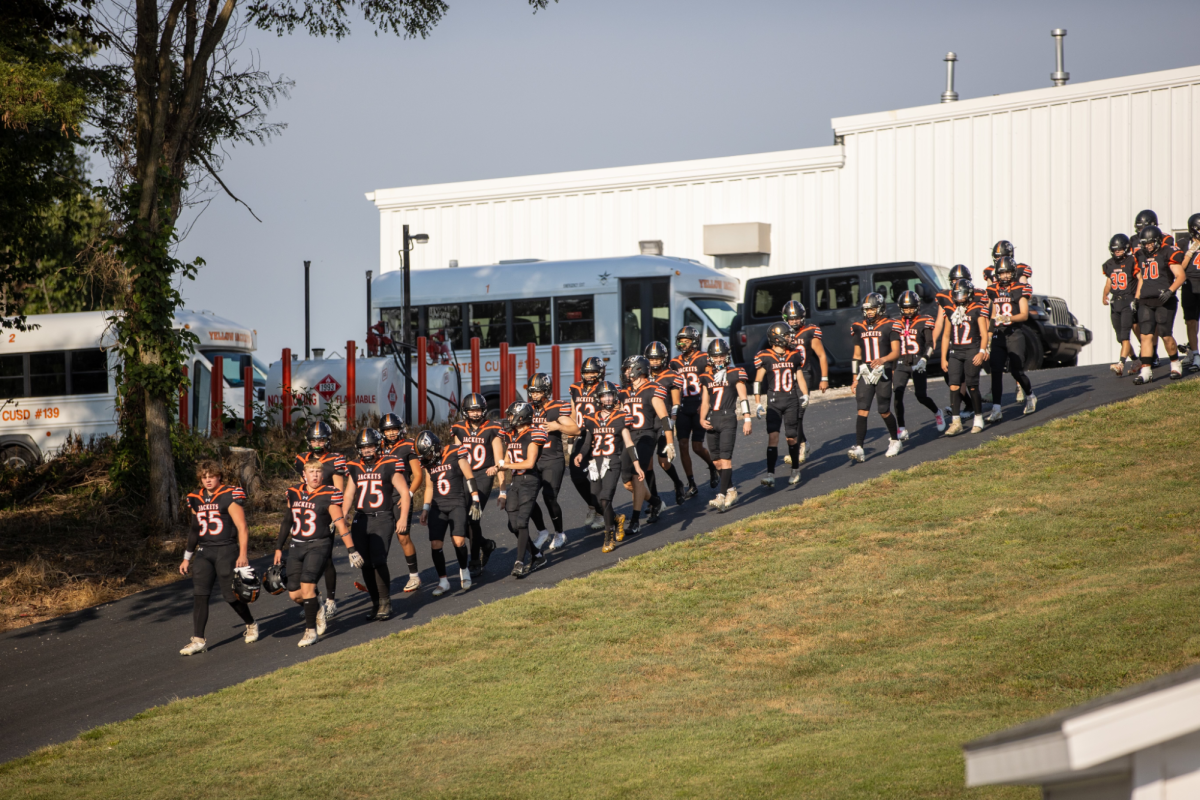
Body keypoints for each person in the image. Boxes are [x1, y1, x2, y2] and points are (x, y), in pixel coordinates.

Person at [276, 460, 360, 648]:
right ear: (304, 474)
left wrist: (351, 549)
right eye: (311, 471)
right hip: (297, 546)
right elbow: (287, 521)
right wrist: (278, 547)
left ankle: (310, 631)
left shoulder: (329, 493)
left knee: (307, 587)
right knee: (295, 594)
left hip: (319, 545)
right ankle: (318, 606)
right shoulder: (293, 492)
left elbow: (340, 523)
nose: (314, 475)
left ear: (322, 476)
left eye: (318, 472)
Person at [178, 461, 256, 655]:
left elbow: (242, 527)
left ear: (219, 476)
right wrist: (187, 557)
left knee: (230, 595)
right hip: (205, 551)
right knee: (200, 594)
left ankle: (251, 623)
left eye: (211, 476)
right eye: (204, 477)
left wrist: (243, 554)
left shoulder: (229, 494)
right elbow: (195, 530)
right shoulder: (195, 498)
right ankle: (198, 639)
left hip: (226, 549)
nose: (208, 480)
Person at [341, 428, 410, 621]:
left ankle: (386, 601)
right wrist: (343, 514)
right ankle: (375, 603)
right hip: (361, 518)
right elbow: (349, 494)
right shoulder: (354, 466)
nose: (367, 450)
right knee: (365, 564)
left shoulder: (389, 463)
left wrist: (402, 518)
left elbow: (404, 493)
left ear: (378, 446)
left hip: (382, 517)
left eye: (370, 446)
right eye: (364, 447)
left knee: (378, 560)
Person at [574, 381, 642, 553]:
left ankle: (608, 537)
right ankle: (617, 519)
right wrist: (581, 454)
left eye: (610, 394)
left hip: (612, 461)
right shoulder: (592, 418)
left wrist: (637, 465)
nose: (607, 398)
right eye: (604, 395)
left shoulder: (621, 416)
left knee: (605, 498)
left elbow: (628, 443)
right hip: (595, 463)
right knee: (597, 500)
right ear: (598, 398)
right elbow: (588, 441)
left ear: (615, 396)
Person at [417, 431, 483, 596]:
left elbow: (469, 477)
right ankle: (443, 581)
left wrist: (475, 499)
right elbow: (430, 487)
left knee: (458, 540)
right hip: (438, 507)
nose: (428, 457)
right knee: (435, 544)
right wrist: (425, 508)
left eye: (429, 453)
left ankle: (464, 570)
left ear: (436, 446)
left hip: (456, 503)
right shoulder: (428, 464)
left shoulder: (455, 451)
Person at [292, 420, 345, 620]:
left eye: (321, 439)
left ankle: (331, 600)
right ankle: (313, 597)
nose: (317, 444)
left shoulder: (335, 459)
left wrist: (339, 514)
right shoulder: (302, 459)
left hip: (328, 510)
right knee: (307, 559)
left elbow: (339, 490)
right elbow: (301, 488)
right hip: (309, 511)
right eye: (314, 440)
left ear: (327, 440)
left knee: (327, 557)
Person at [620, 355, 674, 535]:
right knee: (627, 482)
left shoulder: (652, 388)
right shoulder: (624, 391)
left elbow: (664, 418)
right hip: (629, 437)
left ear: (639, 369)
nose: (626, 372)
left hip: (646, 435)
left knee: (638, 477)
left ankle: (635, 521)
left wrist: (670, 442)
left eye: (629, 369)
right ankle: (655, 501)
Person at [525, 374, 578, 553]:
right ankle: (542, 531)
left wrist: (558, 427)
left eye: (538, 391)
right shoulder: (527, 409)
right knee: (527, 497)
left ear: (546, 391)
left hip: (552, 460)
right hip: (533, 460)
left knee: (549, 496)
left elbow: (575, 429)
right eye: (532, 392)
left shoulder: (557, 407)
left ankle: (559, 533)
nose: (535, 395)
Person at [451, 393, 502, 577]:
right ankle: (485, 544)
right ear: (465, 411)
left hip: (482, 475)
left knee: (473, 518)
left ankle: (474, 560)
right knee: (458, 519)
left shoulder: (493, 427)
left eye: (478, 410)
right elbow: (455, 455)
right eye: (471, 410)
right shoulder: (458, 428)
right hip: (465, 475)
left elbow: (499, 458)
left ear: (484, 410)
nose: (475, 413)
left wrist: (497, 470)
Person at [496, 402, 549, 577]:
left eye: (511, 415)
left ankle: (519, 562)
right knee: (512, 525)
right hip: (516, 482)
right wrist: (502, 492)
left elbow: (529, 463)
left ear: (521, 416)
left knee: (522, 521)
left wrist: (505, 466)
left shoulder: (533, 434)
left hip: (530, 480)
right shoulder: (511, 435)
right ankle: (536, 555)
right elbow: (505, 461)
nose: (509, 418)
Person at [752, 322, 808, 487]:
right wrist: (757, 402)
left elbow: (800, 377)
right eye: (786, 335)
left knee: (791, 437)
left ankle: (795, 470)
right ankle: (770, 474)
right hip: (774, 401)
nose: (790, 338)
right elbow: (757, 381)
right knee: (773, 437)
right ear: (777, 337)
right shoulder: (765, 356)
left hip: (791, 400)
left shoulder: (794, 355)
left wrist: (805, 394)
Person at [848, 293, 903, 461]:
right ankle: (859, 447)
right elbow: (857, 355)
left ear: (880, 308)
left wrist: (883, 359)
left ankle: (895, 440)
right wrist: (854, 378)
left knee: (883, 410)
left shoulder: (890, 325)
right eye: (867, 309)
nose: (869, 312)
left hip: (883, 371)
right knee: (862, 409)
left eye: (872, 308)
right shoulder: (858, 326)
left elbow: (896, 351)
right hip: (866, 372)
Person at [698, 338, 751, 511]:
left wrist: (747, 418)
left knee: (726, 459)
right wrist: (701, 418)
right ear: (710, 358)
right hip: (712, 419)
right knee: (716, 462)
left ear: (727, 356)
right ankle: (731, 490)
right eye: (716, 356)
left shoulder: (736, 372)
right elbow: (705, 401)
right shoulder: (706, 376)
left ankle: (721, 496)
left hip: (728, 417)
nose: (719, 359)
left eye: (722, 356)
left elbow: (743, 397)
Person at [1132, 224, 1187, 383]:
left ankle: (1175, 363)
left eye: (1151, 242)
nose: (1148, 246)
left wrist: (1170, 291)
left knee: (1165, 334)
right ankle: (1146, 370)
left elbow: (1180, 276)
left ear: (1158, 241)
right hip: (1146, 300)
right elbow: (1142, 278)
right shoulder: (1141, 255)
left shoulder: (1167, 252)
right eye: (1145, 243)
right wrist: (1137, 298)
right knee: (1145, 336)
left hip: (1164, 300)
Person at [669, 325, 719, 496]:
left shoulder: (704, 358)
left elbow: (711, 381)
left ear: (695, 341)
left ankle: (712, 466)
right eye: (680, 341)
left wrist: (707, 402)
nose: (682, 344)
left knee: (697, 447)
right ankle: (691, 483)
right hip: (683, 407)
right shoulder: (674, 362)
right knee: (683, 445)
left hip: (699, 404)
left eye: (686, 340)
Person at [985, 257, 1036, 420]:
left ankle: (1030, 395)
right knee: (996, 371)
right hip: (999, 335)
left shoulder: (1020, 288)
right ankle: (997, 408)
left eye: (1008, 272)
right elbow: (992, 315)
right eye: (1002, 272)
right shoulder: (993, 290)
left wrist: (1009, 319)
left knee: (1016, 371)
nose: (1005, 276)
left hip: (1014, 333)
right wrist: (987, 338)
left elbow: (1024, 314)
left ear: (1013, 272)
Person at [379, 413, 425, 593]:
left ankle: (414, 576)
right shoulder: (377, 447)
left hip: (400, 497)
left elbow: (418, 475)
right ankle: (379, 579)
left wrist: (409, 494)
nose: (391, 433)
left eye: (394, 429)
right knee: (380, 539)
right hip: (381, 499)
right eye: (388, 430)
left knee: (403, 535)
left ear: (400, 429)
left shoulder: (408, 445)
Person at [932, 265, 985, 420]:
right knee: (951, 378)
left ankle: (978, 408)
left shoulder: (977, 296)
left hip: (973, 344)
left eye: (961, 280)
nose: (958, 283)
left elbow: (986, 321)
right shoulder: (945, 297)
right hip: (956, 345)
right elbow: (940, 323)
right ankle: (965, 404)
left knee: (970, 381)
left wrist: (985, 348)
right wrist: (933, 340)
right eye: (954, 280)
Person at [940, 280, 991, 435]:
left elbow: (984, 334)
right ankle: (956, 422)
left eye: (962, 293)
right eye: (957, 294)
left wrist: (982, 351)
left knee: (972, 385)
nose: (959, 297)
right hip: (955, 352)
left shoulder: (977, 308)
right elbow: (946, 335)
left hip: (972, 350)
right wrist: (943, 357)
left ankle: (978, 417)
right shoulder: (951, 310)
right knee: (954, 386)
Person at [890, 290, 944, 439]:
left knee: (921, 396)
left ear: (917, 306)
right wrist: (893, 368)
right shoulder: (896, 323)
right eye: (905, 307)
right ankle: (901, 428)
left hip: (918, 361)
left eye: (911, 307)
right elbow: (893, 347)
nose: (908, 310)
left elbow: (930, 343)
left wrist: (925, 358)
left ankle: (937, 412)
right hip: (901, 362)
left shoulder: (925, 320)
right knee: (897, 394)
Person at [781, 300, 828, 467]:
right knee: (791, 414)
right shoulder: (782, 332)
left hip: (805, 374)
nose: (794, 322)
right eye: (791, 319)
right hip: (788, 376)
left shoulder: (809, 331)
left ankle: (801, 446)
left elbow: (821, 355)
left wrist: (824, 378)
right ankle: (804, 444)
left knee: (797, 414)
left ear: (803, 318)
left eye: (797, 318)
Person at [645, 341, 687, 504]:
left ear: (664, 358)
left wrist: (672, 422)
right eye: (651, 358)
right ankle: (654, 499)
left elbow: (676, 403)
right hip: (647, 423)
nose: (654, 362)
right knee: (647, 465)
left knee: (663, 461)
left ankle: (678, 483)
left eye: (657, 358)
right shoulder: (643, 376)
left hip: (664, 421)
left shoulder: (672, 375)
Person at [568, 357, 605, 529]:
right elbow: (574, 412)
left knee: (600, 477)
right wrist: (570, 437)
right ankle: (594, 506)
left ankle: (603, 513)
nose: (589, 375)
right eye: (587, 372)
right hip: (582, 435)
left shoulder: (604, 388)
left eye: (593, 371)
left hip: (601, 436)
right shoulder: (576, 388)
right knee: (576, 474)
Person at [1101, 233, 1139, 377]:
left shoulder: (1132, 261)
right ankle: (1135, 360)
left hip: (1127, 300)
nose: (1117, 252)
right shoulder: (1109, 264)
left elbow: (1140, 278)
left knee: (1125, 335)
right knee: (1119, 337)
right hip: (1114, 301)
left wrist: (1137, 297)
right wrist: (1104, 294)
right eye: (1115, 250)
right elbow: (1109, 281)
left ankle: (1121, 363)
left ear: (1126, 248)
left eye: (1120, 249)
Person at [1176, 213, 1200, 372]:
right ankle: (1195, 354)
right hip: (1190, 285)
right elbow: (1180, 268)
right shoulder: (1184, 244)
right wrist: (1191, 251)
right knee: (1191, 321)